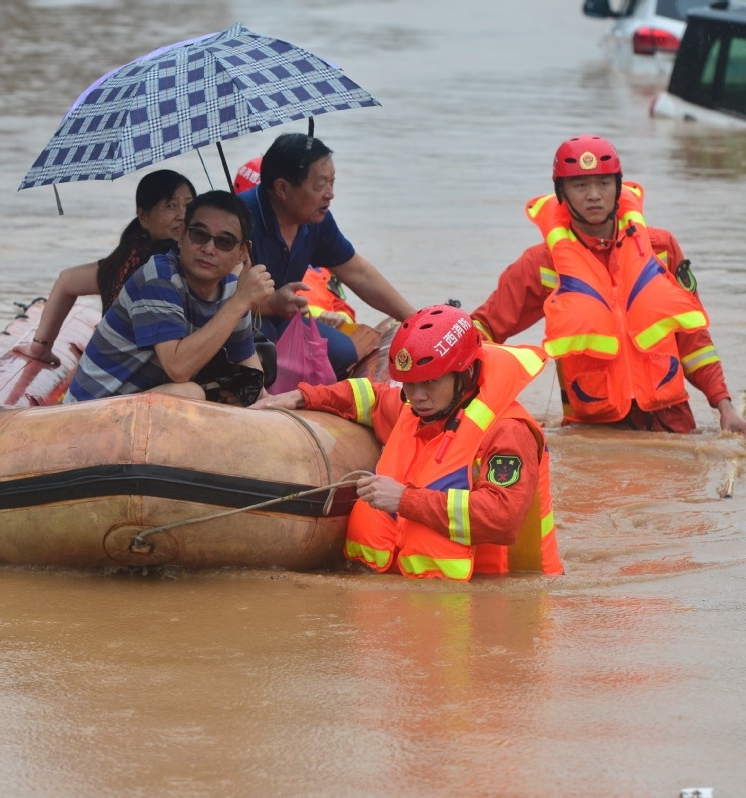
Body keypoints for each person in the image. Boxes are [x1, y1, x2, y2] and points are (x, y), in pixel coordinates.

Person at [252, 305, 563, 580]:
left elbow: (503, 518)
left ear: (465, 373)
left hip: (491, 600)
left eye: (429, 382)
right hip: (417, 594)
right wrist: (303, 396)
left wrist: (404, 500)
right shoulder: (416, 408)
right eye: (409, 384)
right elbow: (370, 397)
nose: (417, 396)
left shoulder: (509, 431)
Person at [470, 134, 746, 435]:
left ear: (618, 187)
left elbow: (695, 342)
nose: (594, 195)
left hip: (671, 422)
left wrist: (725, 407)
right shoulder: (541, 263)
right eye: (580, 185)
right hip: (591, 429)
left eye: (604, 183)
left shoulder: (660, 248)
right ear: (561, 193)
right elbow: (484, 329)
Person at [64, 190, 274, 404]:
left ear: (242, 252)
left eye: (224, 241)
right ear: (181, 235)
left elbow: (248, 365)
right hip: (90, 409)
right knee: (190, 394)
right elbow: (178, 368)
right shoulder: (158, 278)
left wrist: (255, 398)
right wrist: (239, 302)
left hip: (138, 406)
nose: (209, 249)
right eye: (199, 235)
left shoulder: (232, 290)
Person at [238, 132, 416, 376]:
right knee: (265, 350)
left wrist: (414, 319)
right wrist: (269, 305)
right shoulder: (238, 219)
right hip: (239, 323)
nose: (330, 194)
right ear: (282, 188)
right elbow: (213, 300)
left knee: (344, 354)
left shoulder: (315, 220)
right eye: (320, 185)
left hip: (282, 318)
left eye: (332, 182)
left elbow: (357, 272)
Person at [18, 170, 196, 366]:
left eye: (189, 205)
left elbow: (67, 280)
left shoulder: (129, 254)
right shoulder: (166, 264)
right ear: (143, 216)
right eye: (171, 206)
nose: (183, 215)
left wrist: (41, 347)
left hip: (108, 364)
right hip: (139, 370)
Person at [233, 154, 360, 333]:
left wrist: (339, 316)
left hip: (303, 314)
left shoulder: (316, 237)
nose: (330, 194)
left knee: (343, 347)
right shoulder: (231, 228)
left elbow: (355, 276)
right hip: (254, 318)